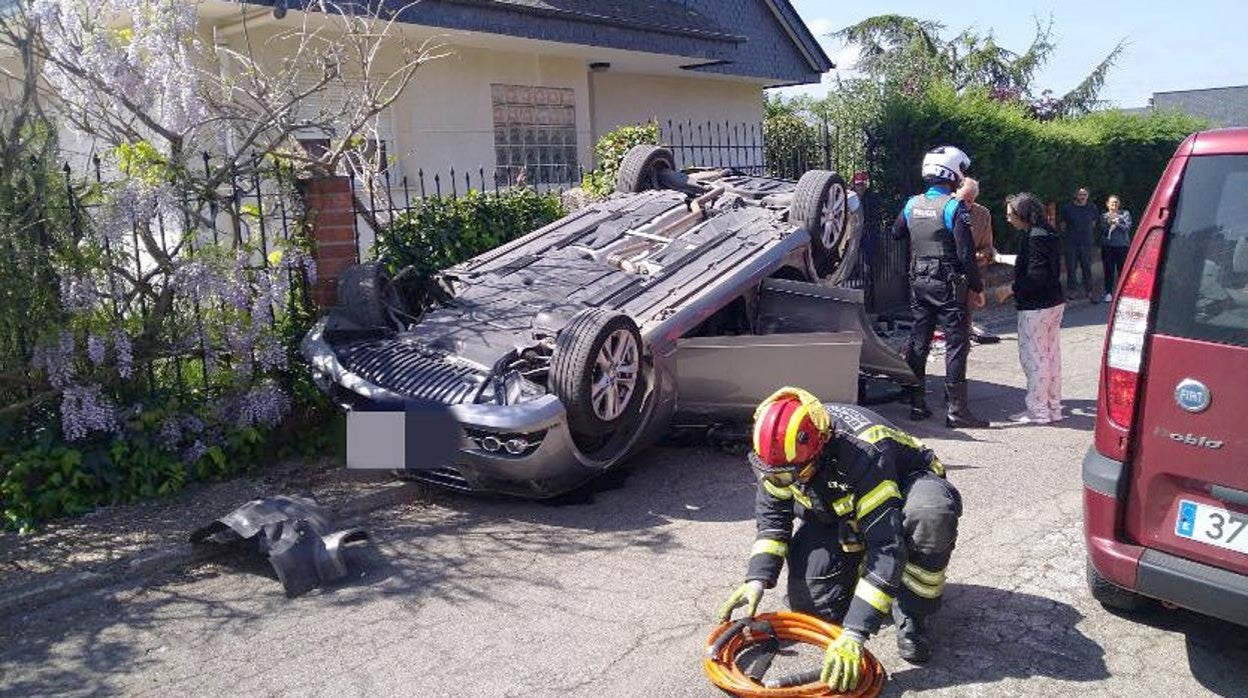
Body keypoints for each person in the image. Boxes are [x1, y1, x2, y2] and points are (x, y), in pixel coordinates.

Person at [716, 388, 961, 691]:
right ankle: (862, 570)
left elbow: (885, 547)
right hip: (841, 503)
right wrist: (756, 579)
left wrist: (856, 633)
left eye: (791, 475)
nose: (783, 482)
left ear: (819, 448)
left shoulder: (864, 452)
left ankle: (911, 613)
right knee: (812, 607)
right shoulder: (780, 456)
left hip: (905, 485)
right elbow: (773, 520)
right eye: (777, 476)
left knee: (929, 516)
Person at [892, 145, 988, 428]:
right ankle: (957, 411)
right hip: (947, 284)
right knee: (956, 344)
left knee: (920, 341)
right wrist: (977, 286)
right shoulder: (953, 206)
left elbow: (896, 232)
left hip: (919, 281)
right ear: (954, 173)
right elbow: (966, 254)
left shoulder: (912, 204)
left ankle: (917, 404)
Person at [1006, 193, 1066, 423]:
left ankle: (1038, 411)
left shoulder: (1034, 238)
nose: (1008, 218)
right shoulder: (1048, 233)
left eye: (1011, 214)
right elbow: (1034, 263)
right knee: (1051, 357)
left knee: (1034, 358)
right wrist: (1000, 257)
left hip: (1035, 306)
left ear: (1023, 215)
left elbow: (1035, 275)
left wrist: (1010, 289)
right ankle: (1053, 407)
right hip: (1054, 303)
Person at [954, 177, 1001, 344]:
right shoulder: (947, 209)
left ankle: (965, 332)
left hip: (971, 267)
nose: (966, 205)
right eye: (963, 200)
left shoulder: (982, 214)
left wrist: (982, 255)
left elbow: (988, 247)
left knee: (968, 307)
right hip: (949, 267)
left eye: (970, 201)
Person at [1058, 187, 1100, 302]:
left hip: (1087, 243)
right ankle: (1072, 291)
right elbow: (1063, 225)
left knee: (1087, 267)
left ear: (1088, 195)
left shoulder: (1092, 207)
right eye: (1080, 194)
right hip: (1071, 243)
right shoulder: (1068, 208)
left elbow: (1093, 223)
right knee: (1071, 268)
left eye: (1084, 194)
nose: (1082, 196)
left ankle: (1089, 291)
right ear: (1076, 195)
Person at [1099, 195, 1133, 302]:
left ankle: (1124, 292)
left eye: (1116, 202)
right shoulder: (1104, 216)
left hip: (1122, 246)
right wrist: (1110, 223)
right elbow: (1103, 230)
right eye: (1112, 202)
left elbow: (1127, 228)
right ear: (1107, 204)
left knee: (1122, 270)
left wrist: (1118, 224)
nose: (1114, 204)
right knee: (1108, 270)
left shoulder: (1125, 214)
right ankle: (1109, 293)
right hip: (1108, 247)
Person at [853, 171, 884, 270]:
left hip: (868, 231)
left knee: (870, 245)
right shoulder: (850, 197)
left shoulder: (872, 198)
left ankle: (868, 271)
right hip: (854, 231)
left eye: (862, 184)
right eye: (858, 184)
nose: (860, 187)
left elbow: (875, 216)